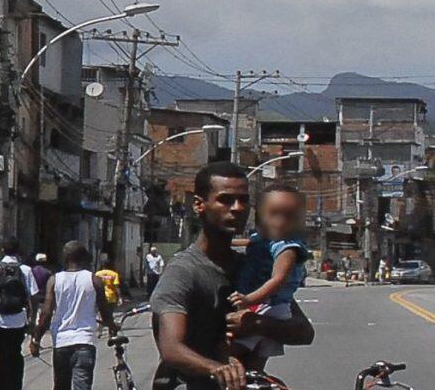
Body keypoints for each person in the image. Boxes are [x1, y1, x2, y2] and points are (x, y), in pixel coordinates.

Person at [151, 162, 314, 390]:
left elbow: (304, 332)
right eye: (225, 200)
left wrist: (257, 324)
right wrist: (217, 368)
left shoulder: (253, 265)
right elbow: (172, 349)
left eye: (243, 200)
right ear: (199, 205)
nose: (237, 208)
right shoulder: (183, 271)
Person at [228, 185, 310, 370]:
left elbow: (278, 279)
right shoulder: (263, 238)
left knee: (232, 351)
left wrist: (248, 300)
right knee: (254, 363)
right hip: (266, 304)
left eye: (289, 216)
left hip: (270, 306)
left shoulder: (287, 247)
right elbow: (249, 242)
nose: (281, 221)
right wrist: (226, 241)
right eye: (273, 214)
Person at [29, 241, 118, 390]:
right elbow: (105, 311)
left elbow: (46, 313)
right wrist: (112, 326)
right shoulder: (94, 280)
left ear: (65, 258)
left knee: (61, 386)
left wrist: (36, 339)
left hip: (61, 342)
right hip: (85, 342)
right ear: (84, 258)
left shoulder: (55, 280)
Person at [0, 238, 39, 390]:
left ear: (2, 250)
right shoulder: (26, 270)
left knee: (0, 356)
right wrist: (32, 319)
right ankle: (15, 386)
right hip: (19, 320)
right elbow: (34, 296)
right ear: (18, 251)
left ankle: (2, 386)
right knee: (15, 354)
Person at [31, 253, 53, 326]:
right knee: (43, 314)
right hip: (44, 296)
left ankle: (33, 326)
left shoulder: (31, 271)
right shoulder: (48, 272)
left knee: (33, 314)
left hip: (34, 296)